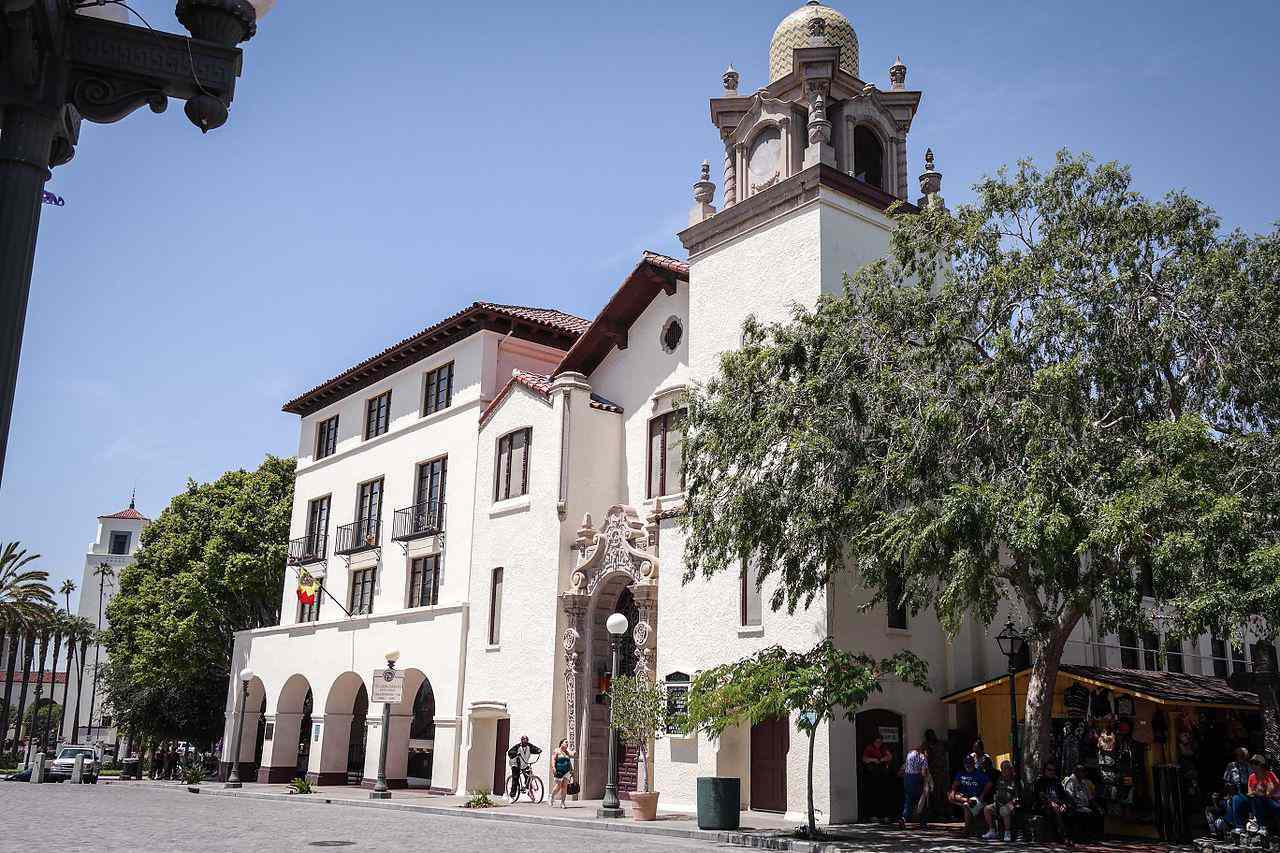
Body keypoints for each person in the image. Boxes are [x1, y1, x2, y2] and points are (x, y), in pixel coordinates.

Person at [948, 754, 993, 832]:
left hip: (975, 798)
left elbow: (989, 784)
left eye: (970, 763)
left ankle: (967, 828)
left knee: (966, 805)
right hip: (964, 796)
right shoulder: (961, 773)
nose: (968, 765)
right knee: (950, 795)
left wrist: (982, 795)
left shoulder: (979, 773)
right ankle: (966, 800)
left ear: (973, 763)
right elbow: (955, 785)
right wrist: (953, 792)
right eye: (966, 763)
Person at [1035, 763, 1074, 847]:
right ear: (1045, 770)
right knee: (1056, 810)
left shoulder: (1056, 781)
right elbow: (1041, 796)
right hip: (1044, 805)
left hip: (1057, 803)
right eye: (1049, 770)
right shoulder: (1040, 781)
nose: (1051, 772)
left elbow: (1064, 795)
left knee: (1069, 809)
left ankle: (1074, 836)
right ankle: (1064, 837)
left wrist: (1064, 804)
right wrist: (1051, 803)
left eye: (1053, 770)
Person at [983, 760, 1019, 841]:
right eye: (1004, 768)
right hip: (998, 803)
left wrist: (1011, 803)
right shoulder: (999, 779)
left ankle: (1007, 833)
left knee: (1004, 810)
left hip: (1011, 804)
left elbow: (1017, 797)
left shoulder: (1015, 781)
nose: (1006, 770)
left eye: (1008, 768)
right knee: (987, 809)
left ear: (1011, 769)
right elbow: (996, 791)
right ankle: (992, 831)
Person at [861, 734, 894, 823]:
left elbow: (890, 756)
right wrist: (873, 760)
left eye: (880, 742)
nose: (879, 743)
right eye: (877, 742)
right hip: (872, 776)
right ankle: (872, 815)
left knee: (883, 794)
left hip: (882, 775)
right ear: (874, 741)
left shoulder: (883, 748)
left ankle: (883, 815)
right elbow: (864, 759)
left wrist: (883, 759)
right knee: (873, 794)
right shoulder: (869, 748)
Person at [898, 740, 930, 829]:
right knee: (921, 800)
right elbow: (923, 772)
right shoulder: (923, 757)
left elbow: (905, 766)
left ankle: (904, 818)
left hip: (907, 778)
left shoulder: (910, 754)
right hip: (917, 778)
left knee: (909, 800)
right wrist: (925, 782)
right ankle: (923, 822)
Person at [1248, 754, 1280, 828]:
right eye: (1251, 763)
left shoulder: (1270, 774)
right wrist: (1257, 793)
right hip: (1258, 799)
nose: (1253, 765)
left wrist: (1260, 792)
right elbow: (1250, 792)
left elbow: (1271, 791)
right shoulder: (1251, 777)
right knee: (1257, 799)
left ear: (1262, 765)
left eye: (1256, 763)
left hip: (1272, 799)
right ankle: (1261, 825)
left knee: (1276, 808)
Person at [1225, 747, 1253, 829]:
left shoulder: (1249, 766)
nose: (1241, 758)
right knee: (1236, 799)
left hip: (1248, 790)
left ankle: (1254, 824)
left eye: (1243, 756)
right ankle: (1239, 826)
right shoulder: (1231, 766)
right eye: (1239, 756)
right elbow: (1227, 782)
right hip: (1235, 790)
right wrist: (1230, 792)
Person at [549, 739, 576, 808]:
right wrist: (553, 767)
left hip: (566, 771)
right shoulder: (556, 751)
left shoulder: (567, 752)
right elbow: (553, 760)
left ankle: (562, 803)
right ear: (561, 743)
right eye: (566, 742)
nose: (567, 744)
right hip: (559, 770)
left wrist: (571, 769)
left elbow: (569, 761)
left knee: (564, 787)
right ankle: (552, 796)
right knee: (558, 786)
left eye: (568, 743)